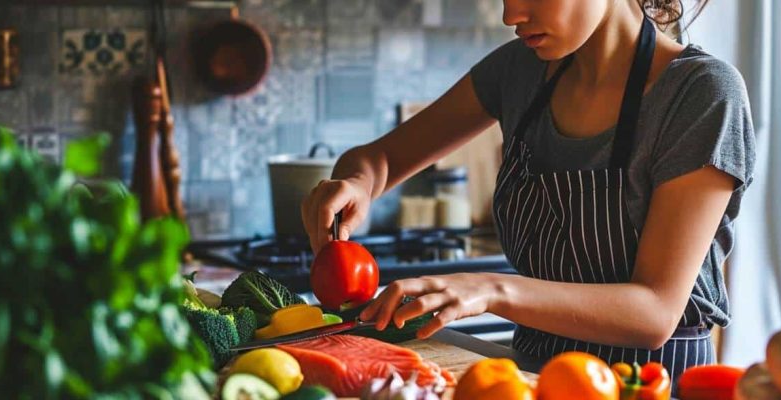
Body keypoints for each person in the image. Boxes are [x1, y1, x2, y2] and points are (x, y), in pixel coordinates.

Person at [301, 0, 755, 388]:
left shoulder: (701, 93)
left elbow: (654, 312)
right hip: (533, 380)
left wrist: (490, 288)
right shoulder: (519, 72)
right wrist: (357, 183)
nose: (509, 14)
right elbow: (378, 159)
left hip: (652, 383)